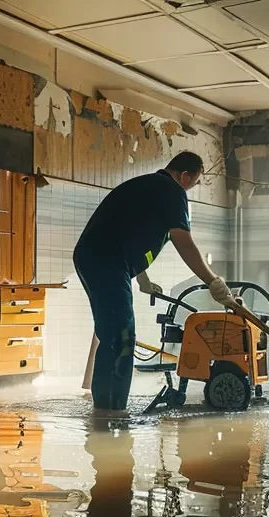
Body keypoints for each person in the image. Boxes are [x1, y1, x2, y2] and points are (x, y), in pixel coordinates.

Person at [74, 151, 237, 418]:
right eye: (193, 183)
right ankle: (110, 413)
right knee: (121, 337)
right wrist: (213, 282)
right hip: (105, 260)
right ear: (185, 175)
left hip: (101, 258)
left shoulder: (150, 188)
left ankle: (105, 408)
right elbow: (184, 242)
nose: (191, 189)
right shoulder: (171, 190)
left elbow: (130, 230)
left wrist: (142, 276)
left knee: (114, 333)